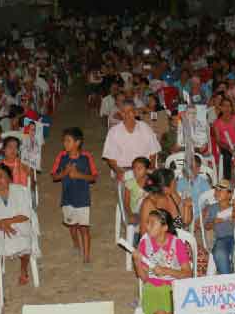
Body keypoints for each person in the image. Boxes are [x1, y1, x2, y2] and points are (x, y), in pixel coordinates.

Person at [0, 164, 36, 286]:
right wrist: (0, 225)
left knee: (25, 242)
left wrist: (5, 222)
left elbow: (25, 215)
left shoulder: (19, 190)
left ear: (9, 178)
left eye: (1, 176)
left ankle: (24, 269)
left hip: (17, 224)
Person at [132, 209, 193, 314]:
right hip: (152, 289)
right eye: (147, 222)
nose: (147, 226)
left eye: (152, 223)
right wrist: (137, 262)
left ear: (164, 228)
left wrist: (165, 270)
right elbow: (145, 278)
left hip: (174, 288)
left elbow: (188, 274)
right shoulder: (144, 244)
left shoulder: (177, 244)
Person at [51, 127, 98, 264]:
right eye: (64, 141)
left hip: (83, 198)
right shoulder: (62, 157)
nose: (65, 144)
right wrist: (65, 173)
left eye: (68, 141)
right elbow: (54, 177)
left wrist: (78, 175)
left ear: (78, 142)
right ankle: (76, 244)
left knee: (84, 228)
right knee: (72, 226)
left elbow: (93, 178)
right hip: (68, 198)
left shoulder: (86, 157)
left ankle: (86, 257)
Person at [102, 100, 161, 181]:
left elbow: (153, 151)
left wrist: (152, 167)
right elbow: (110, 158)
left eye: (130, 111)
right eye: (123, 112)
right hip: (125, 170)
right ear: (120, 114)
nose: (127, 115)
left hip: (144, 169)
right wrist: (118, 171)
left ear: (135, 112)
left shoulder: (145, 128)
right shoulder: (114, 132)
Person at [204, 179, 235, 274]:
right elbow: (206, 226)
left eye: (221, 190)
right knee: (219, 253)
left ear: (230, 194)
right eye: (216, 189)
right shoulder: (212, 208)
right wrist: (214, 222)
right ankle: (228, 278)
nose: (217, 192)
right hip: (221, 239)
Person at [125, 156, 152, 224]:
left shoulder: (152, 182)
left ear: (147, 170)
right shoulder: (130, 184)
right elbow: (126, 202)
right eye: (134, 168)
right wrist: (130, 214)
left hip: (150, 211)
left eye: (139, 169)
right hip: (136, 212)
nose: (135, 171)